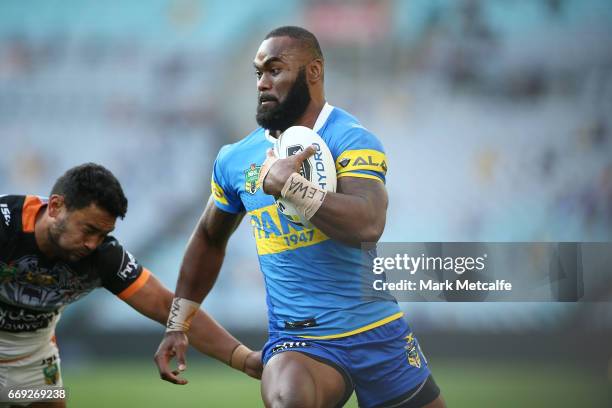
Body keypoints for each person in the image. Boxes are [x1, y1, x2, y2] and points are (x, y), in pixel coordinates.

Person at [155, 26, 445, 408]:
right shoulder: (236, 158)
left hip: (378, 333)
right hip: (299, 341)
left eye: (275, 70)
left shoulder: (351, 138)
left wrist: (292, 187)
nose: (261, 83)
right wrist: (178, 323)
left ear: (313, 72)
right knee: (289, 398)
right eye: (258, 72)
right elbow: (210, 238)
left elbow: (368, 224)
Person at [0, 163, 262, 408]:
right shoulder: (5, 226)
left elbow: (164, 306)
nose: (92, 243)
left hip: (33, 366)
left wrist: (245, 359)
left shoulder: (103, 257)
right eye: (88, 229)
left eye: (103, 234)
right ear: (56, 207)